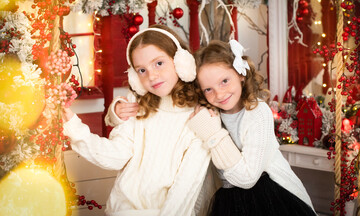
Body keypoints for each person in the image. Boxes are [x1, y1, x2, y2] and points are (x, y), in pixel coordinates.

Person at [112, 39, 317, 216]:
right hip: (229, 198)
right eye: (208, 89)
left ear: (241, 74)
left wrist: (212, 132)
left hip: (269, 193)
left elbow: (247, 178)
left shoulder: (257, 112)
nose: (219, 94)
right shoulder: (210, 112)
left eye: (225, 81)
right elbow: (164, 113)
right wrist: (116, 112)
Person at [62, 25, 212, 216]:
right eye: (141, 70)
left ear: (181, 62)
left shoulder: (199, 117)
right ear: (134, 76)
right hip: (121, 211)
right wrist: (73, 126)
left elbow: (185, 190)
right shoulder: (137, 107)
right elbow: (114, 156)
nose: (151, 75)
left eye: (159, 63)